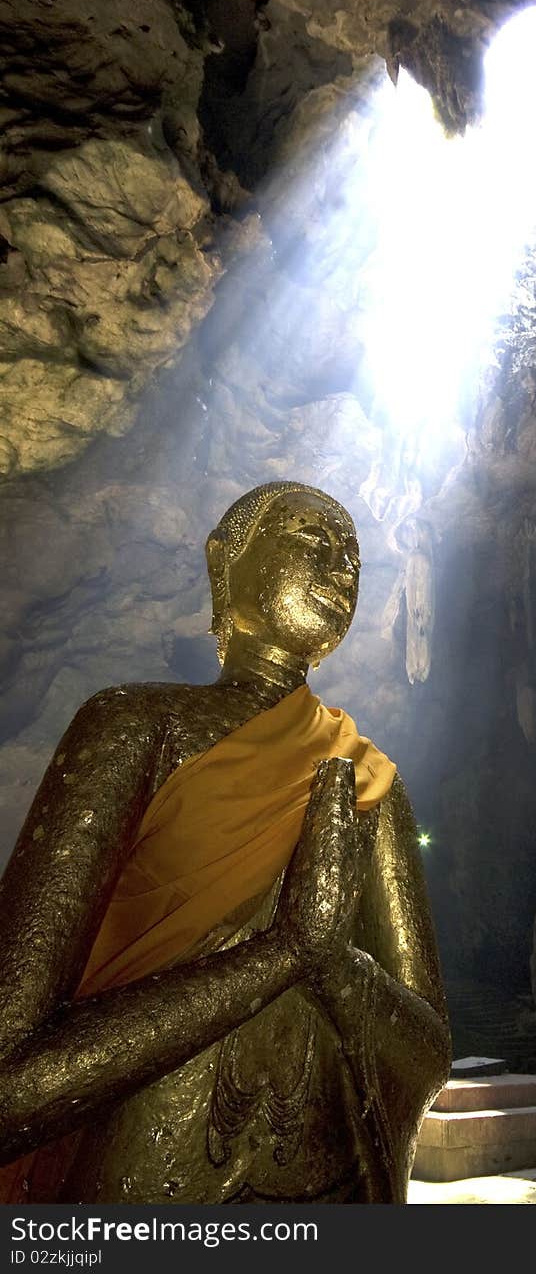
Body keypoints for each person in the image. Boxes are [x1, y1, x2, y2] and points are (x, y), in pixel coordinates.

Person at [0, 481, 451, 1203]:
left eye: (354, 560)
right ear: (225, 561)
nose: (340, 570)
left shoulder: (369, 779)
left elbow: (426, 1059)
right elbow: (12, 1080)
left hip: (331, 1177)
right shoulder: (137, 727)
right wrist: (284, 953)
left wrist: (337, 965)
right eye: (313, 540)